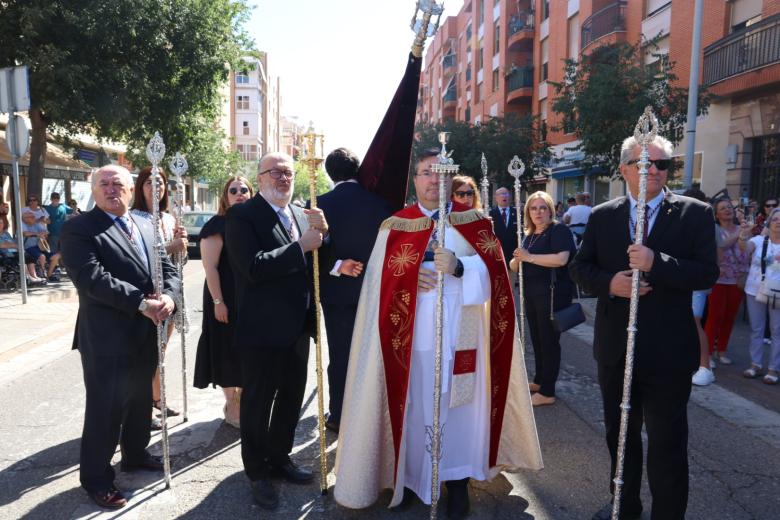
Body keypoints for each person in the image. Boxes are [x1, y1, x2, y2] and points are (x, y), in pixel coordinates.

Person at [334, 150, 542, 518]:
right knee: (415, 406)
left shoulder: (476, 224)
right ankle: (413, 480)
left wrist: (461, 267)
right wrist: (409, 279)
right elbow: (377, 286)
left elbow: (498, 280)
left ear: (450, 180)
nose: (433, 180)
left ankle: (457, 482)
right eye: (425, 173)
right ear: (415, 180)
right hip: (412, 341)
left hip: (464, 338)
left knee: (460, 409)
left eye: (440, 173)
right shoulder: (396, 225)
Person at [569, 134, 718, 520]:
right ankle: (624, 506)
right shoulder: (604, 214)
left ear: (668, 170)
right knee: (620, 438)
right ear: (623, 169)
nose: (649, 169)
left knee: (668, 443)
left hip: (668, 352)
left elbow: (707, 274)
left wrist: (658, 262)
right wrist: (609, 284)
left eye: (659, 163)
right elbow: (580, 268)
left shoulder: (694, 213)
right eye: (640, 162)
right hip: (616, 348)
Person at [60, 165, 179, 509]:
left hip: (146, 330)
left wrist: (170, 296)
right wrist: (140, 303)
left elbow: (166, 268)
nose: (111, 189)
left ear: (131, 189)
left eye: (118, 184)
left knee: (141, 398)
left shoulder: (145, 223)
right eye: (104, 184)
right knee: (106, 408)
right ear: (94, 190)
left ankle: (136, 454)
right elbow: (91, 279)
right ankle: (96, 478)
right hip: (107, 337)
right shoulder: (79, 228)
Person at [225, 152, 328, 510]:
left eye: (288, 172)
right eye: (275, 173)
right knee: (258, 401)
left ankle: (280, 457)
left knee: (290, 398)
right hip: (261, 329)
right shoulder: (242, 215)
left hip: (297, 327)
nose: (283, 178)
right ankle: (257, 471)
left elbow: (316, 259)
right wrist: (301, 246)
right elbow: (253, 267)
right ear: (261, 176)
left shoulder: (301, 213)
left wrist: (323, 235)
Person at [316, 147, 391, 431]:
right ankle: (371, 414)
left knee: (340, 352)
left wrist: (336, 265)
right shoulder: (380, 204)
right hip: (374, 288)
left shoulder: (319, 202)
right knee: (372, 352)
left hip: (336, 290)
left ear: (329, 173)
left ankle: (339, 414)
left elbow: (314, 253)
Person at [131, 167, 189, 428]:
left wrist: (182, 246)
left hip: (170, 293)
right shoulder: (133, 218)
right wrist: (170, 247)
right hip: (148, 295)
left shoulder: (167, 218)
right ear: (140, 187)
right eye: (149, 182)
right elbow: (138, 255)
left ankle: (157, 398)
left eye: (161, 182)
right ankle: (143, 408)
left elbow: (178, 262)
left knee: (161, 353)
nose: (156, 187)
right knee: (148, 355)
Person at [193, 176, 253, 428]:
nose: (239, 193)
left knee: (246, 351)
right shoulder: (217, 225)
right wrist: (218, 301)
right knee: (226, 350)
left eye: (244, 190)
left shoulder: (252, 223)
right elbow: (211, 268)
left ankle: (242, 400)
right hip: (224, 298)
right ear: (225, 197)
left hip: (249, 300)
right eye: (233, 190)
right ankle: (232, 404)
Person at [509, 191, 576, 406]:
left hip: (552, 293)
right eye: (533, 208)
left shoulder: (558, 230)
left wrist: (529, 257)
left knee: (548, 341)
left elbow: (561, 259)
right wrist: (518, 260)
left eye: (542, 207)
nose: (538, 212)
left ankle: (548, 391)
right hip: (532, 293)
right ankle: (540, 380)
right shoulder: (530, 234)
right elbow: (514, 264)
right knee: (537, 339)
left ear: (550, 210)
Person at [704, 197, 749, 367]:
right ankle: (707, 354)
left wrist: (744, 232)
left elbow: (749, 248)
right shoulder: (714, 230)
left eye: (729, 207)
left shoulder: (743, 228)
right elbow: (721, 246)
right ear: (716, 214)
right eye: (723, 208)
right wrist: (738, 234)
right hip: (718, 279)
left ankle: (722, 350)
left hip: (737, 279)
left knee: (729, 317)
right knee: (714, 317)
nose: (727, 210)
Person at [738, 207, 780, 385]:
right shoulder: (758, 240)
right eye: (776, 218)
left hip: (778, 293)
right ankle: (755, 364)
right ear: (769, 223)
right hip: (755, 290)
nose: (778, 222)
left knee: (777, 331)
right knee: (757, 329)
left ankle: (773, 368)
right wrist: (743, 234)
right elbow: (744, 248)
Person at [683, 187, 716, 386]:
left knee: (695, 322)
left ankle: (705, 366)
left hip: (696, 283)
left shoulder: (704, 224)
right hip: (689, 282)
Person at [22, 195, 61, 282]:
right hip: (29, 247)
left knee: (57, 256)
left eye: (34, 199)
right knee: (42, 256)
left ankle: (49, 275)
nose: (33, 218)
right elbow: (25, 233)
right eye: (30, 200)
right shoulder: (23, 223)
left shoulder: (40, 213)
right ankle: (42, 274)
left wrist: (44, 233)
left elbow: (47, 227)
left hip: (40, 246)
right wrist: (37, 234)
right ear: (25, 219)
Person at [489, 187, 518, 266]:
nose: (504, 196)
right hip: (497, 257)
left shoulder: (517, 213)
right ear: (496, 198)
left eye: (506, 194)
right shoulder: (490, 214)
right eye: (501, 194)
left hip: (514, 259)